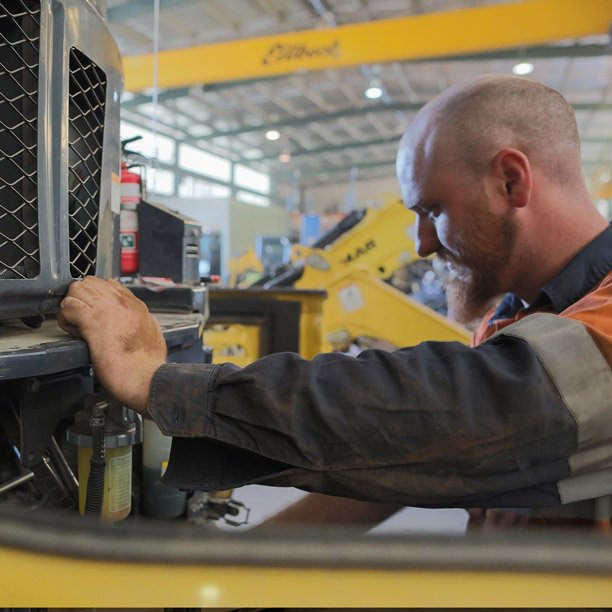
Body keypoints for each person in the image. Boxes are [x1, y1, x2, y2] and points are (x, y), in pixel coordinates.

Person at [58, 75, 612, 529]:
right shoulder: (515, 317)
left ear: (512, 182)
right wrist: (240, 569)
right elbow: (421, 458)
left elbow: (464, 406)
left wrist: (159, 382)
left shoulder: (589, 332)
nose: (420, 244)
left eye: (432, 209)